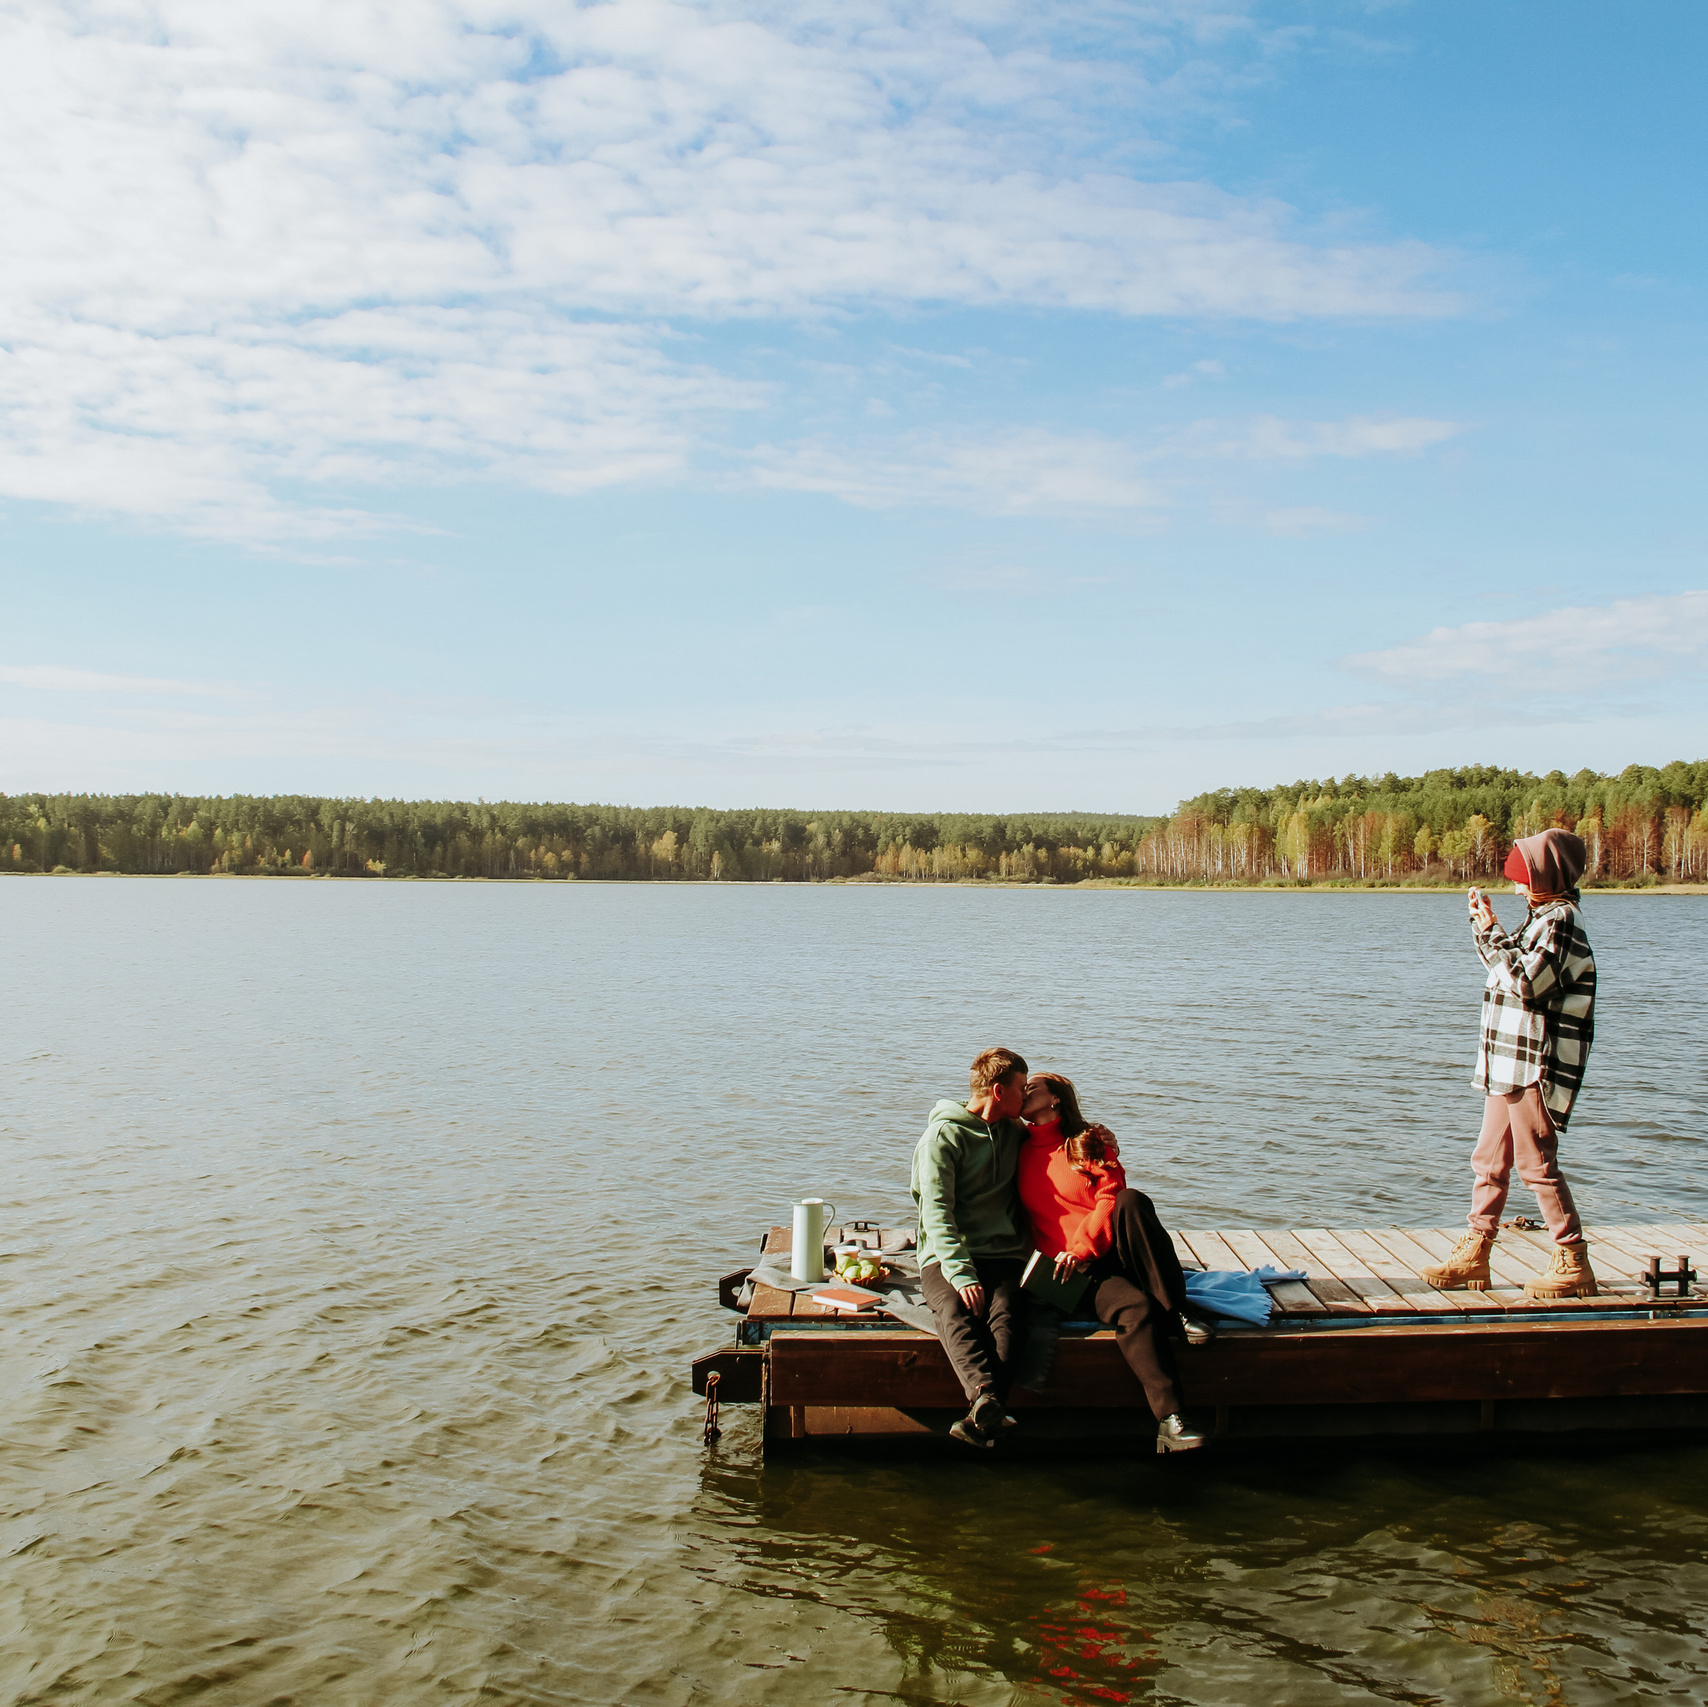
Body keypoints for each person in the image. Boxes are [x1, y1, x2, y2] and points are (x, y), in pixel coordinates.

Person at [1422, 827, 1599, 1299]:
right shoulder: (1541, 917)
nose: (1518, 887)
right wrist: (1486, 926)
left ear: (1548, 876)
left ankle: (1573, 1258)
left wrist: (1492, 932)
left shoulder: (1562, 921)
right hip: (1507, 1060)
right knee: (1488, 1160)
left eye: (1524, 879)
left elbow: (1526, 984)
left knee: (1536, 1163)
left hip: (1535, 1061)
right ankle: (1476, 1252)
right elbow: (1505, 970)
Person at [1017, 1073, 1206, 1453]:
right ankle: (1171, 1420)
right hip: (1070, 1272)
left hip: (1107, 1250)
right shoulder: (1015, 1146)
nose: (1023, 1091)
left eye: (1032, 1087)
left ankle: (1177, 1310)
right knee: (1137, 1309)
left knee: (1131, 1200)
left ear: (1056, 1098)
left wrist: (1081, 1248)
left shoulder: (1086, 1142)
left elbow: (1110, 1196)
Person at [911, 1046, 1035, 1448]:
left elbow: (1061, 1140)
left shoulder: (1015, 1131)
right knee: (954, 1308)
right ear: (999, 1091)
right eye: (1022, 1088)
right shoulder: (941, 1138)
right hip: (945, 1254)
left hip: (1003, 1252)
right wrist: (961, 1275)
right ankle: (985, 1396)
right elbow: (936, 1214)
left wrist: (1100, 1138)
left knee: (1008, 1310)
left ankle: (982, 1411)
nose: (1027, 1096)